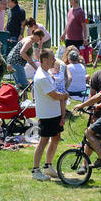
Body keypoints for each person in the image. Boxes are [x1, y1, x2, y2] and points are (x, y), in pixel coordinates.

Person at [30, 52, 68, 181]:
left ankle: (48, 166)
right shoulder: (42, 77)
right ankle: (35, 170)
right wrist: (65, 95)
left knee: (56, 138)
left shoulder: (47, 74)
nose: (54, 61)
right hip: (47, 115)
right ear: (45, 60)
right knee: (43, 141)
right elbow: (54, 95)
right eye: (52, 59)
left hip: (54, 113)